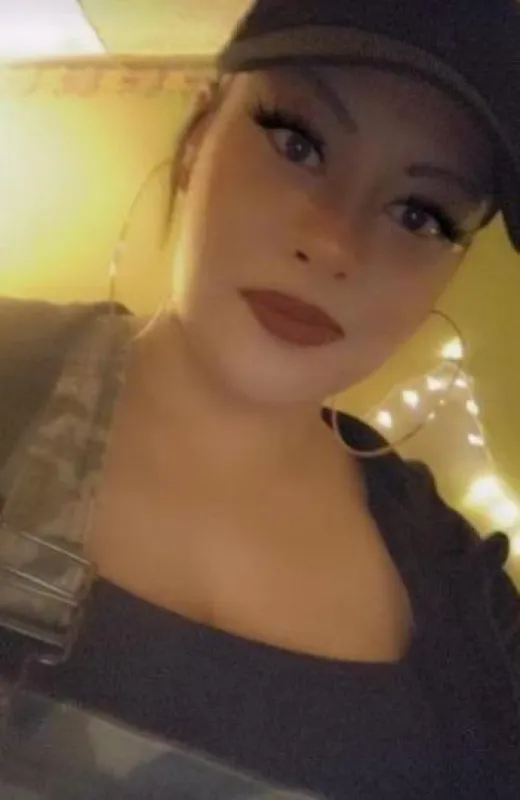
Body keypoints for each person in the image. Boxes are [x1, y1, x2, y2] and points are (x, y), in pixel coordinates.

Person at [1, 0, 520, 798]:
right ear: (197, 138)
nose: (334, 242)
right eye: (297, 142)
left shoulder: (470, 610)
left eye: (420, 214)